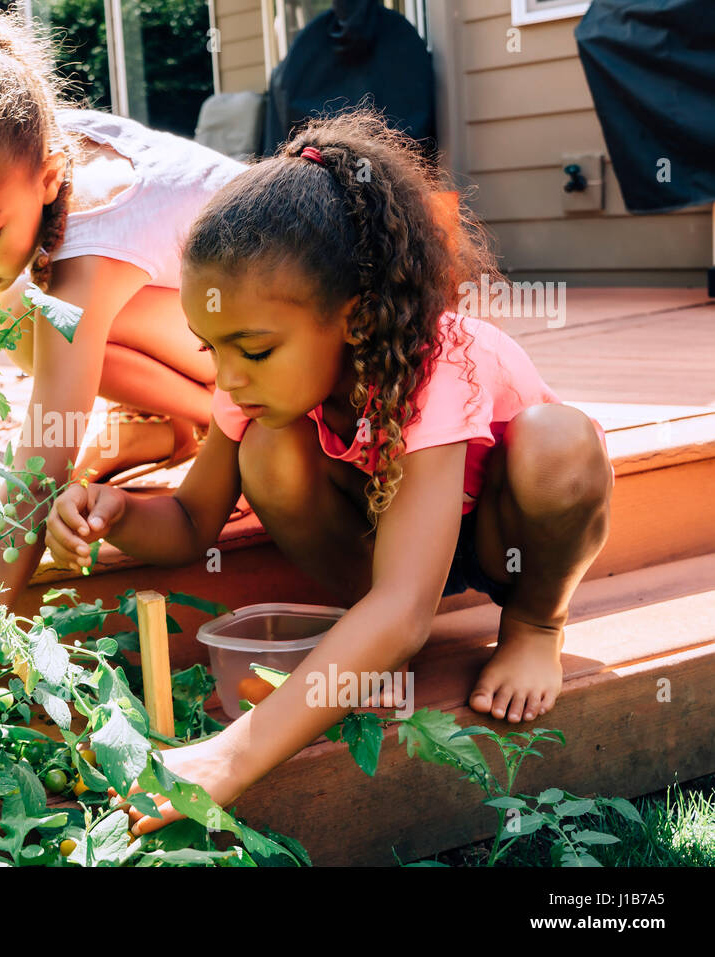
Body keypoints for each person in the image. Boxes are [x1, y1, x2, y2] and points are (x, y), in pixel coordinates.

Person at [45, 109, 615, 834]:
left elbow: (408, 610)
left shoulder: (441, 364)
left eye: (253, 349)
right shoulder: (248, 385)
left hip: (505, 531)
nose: (228, 376)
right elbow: (192, 523)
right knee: (268, 446)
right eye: (211, 348)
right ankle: (360, 639)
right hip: (389, 555)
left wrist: (229, 757)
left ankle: (537, 624)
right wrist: (116, 510)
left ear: (353, 318)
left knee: (558, 442)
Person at [0, 10, 246, 786]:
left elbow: (40, 470)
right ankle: (175, 425)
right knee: (21, 312)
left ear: (46, 177)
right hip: (206, 326)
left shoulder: (89, 240)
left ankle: (201, 419)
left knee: (42, 312)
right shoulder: (28, 142)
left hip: (289, 353)